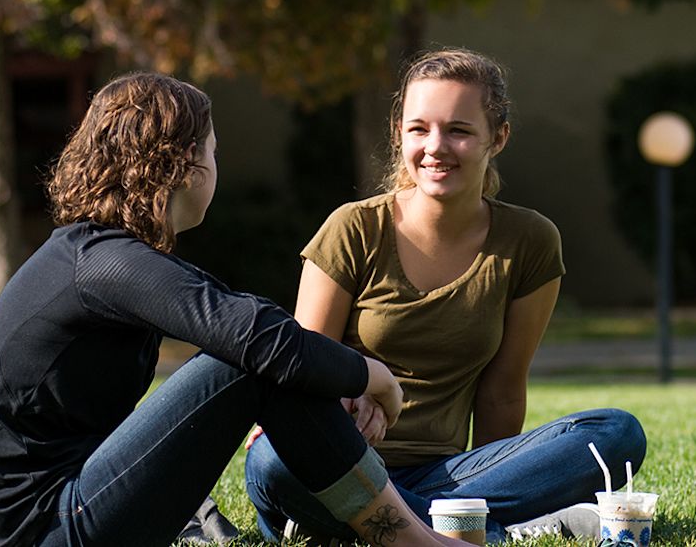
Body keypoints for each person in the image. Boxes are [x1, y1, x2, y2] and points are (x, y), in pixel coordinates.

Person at [0, 72, 472, 547]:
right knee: (248, 363)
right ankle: (415, 541)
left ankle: (406, 532)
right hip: (40, 530)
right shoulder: (101, 262)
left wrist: (330, 376)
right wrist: (372, 377)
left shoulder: (103, 256)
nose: (215, 164)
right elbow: (254, 335)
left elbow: (248, 321)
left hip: (57, 515)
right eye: (213, 151)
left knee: (259, 352)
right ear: (185, 163)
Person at [243, 50, 647, 543]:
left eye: (458, 130)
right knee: (272, 459)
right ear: (398, 133)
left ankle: (405, 523)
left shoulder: (530, 242)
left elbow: (502, 392)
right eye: (419, 129)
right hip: (337, 462)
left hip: (449, 474)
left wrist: (494, 478)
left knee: (616, 434)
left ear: (498, 137)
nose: (436, 147)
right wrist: (352, 392)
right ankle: (478, 529)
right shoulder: (354, 228)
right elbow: (301, 375)